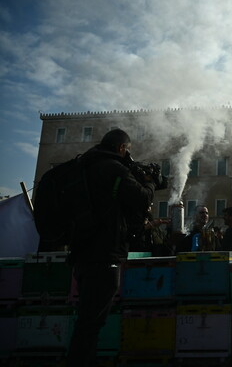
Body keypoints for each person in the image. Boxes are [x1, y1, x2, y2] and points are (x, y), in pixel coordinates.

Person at [66, 129, 155, 367]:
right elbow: (142, 198)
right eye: (128, 149)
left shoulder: (83, 167)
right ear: (121, 148)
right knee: (92, 322)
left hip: (82, 253)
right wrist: (149, 183)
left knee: (87, 318)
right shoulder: (113, 169)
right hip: (105, 253)